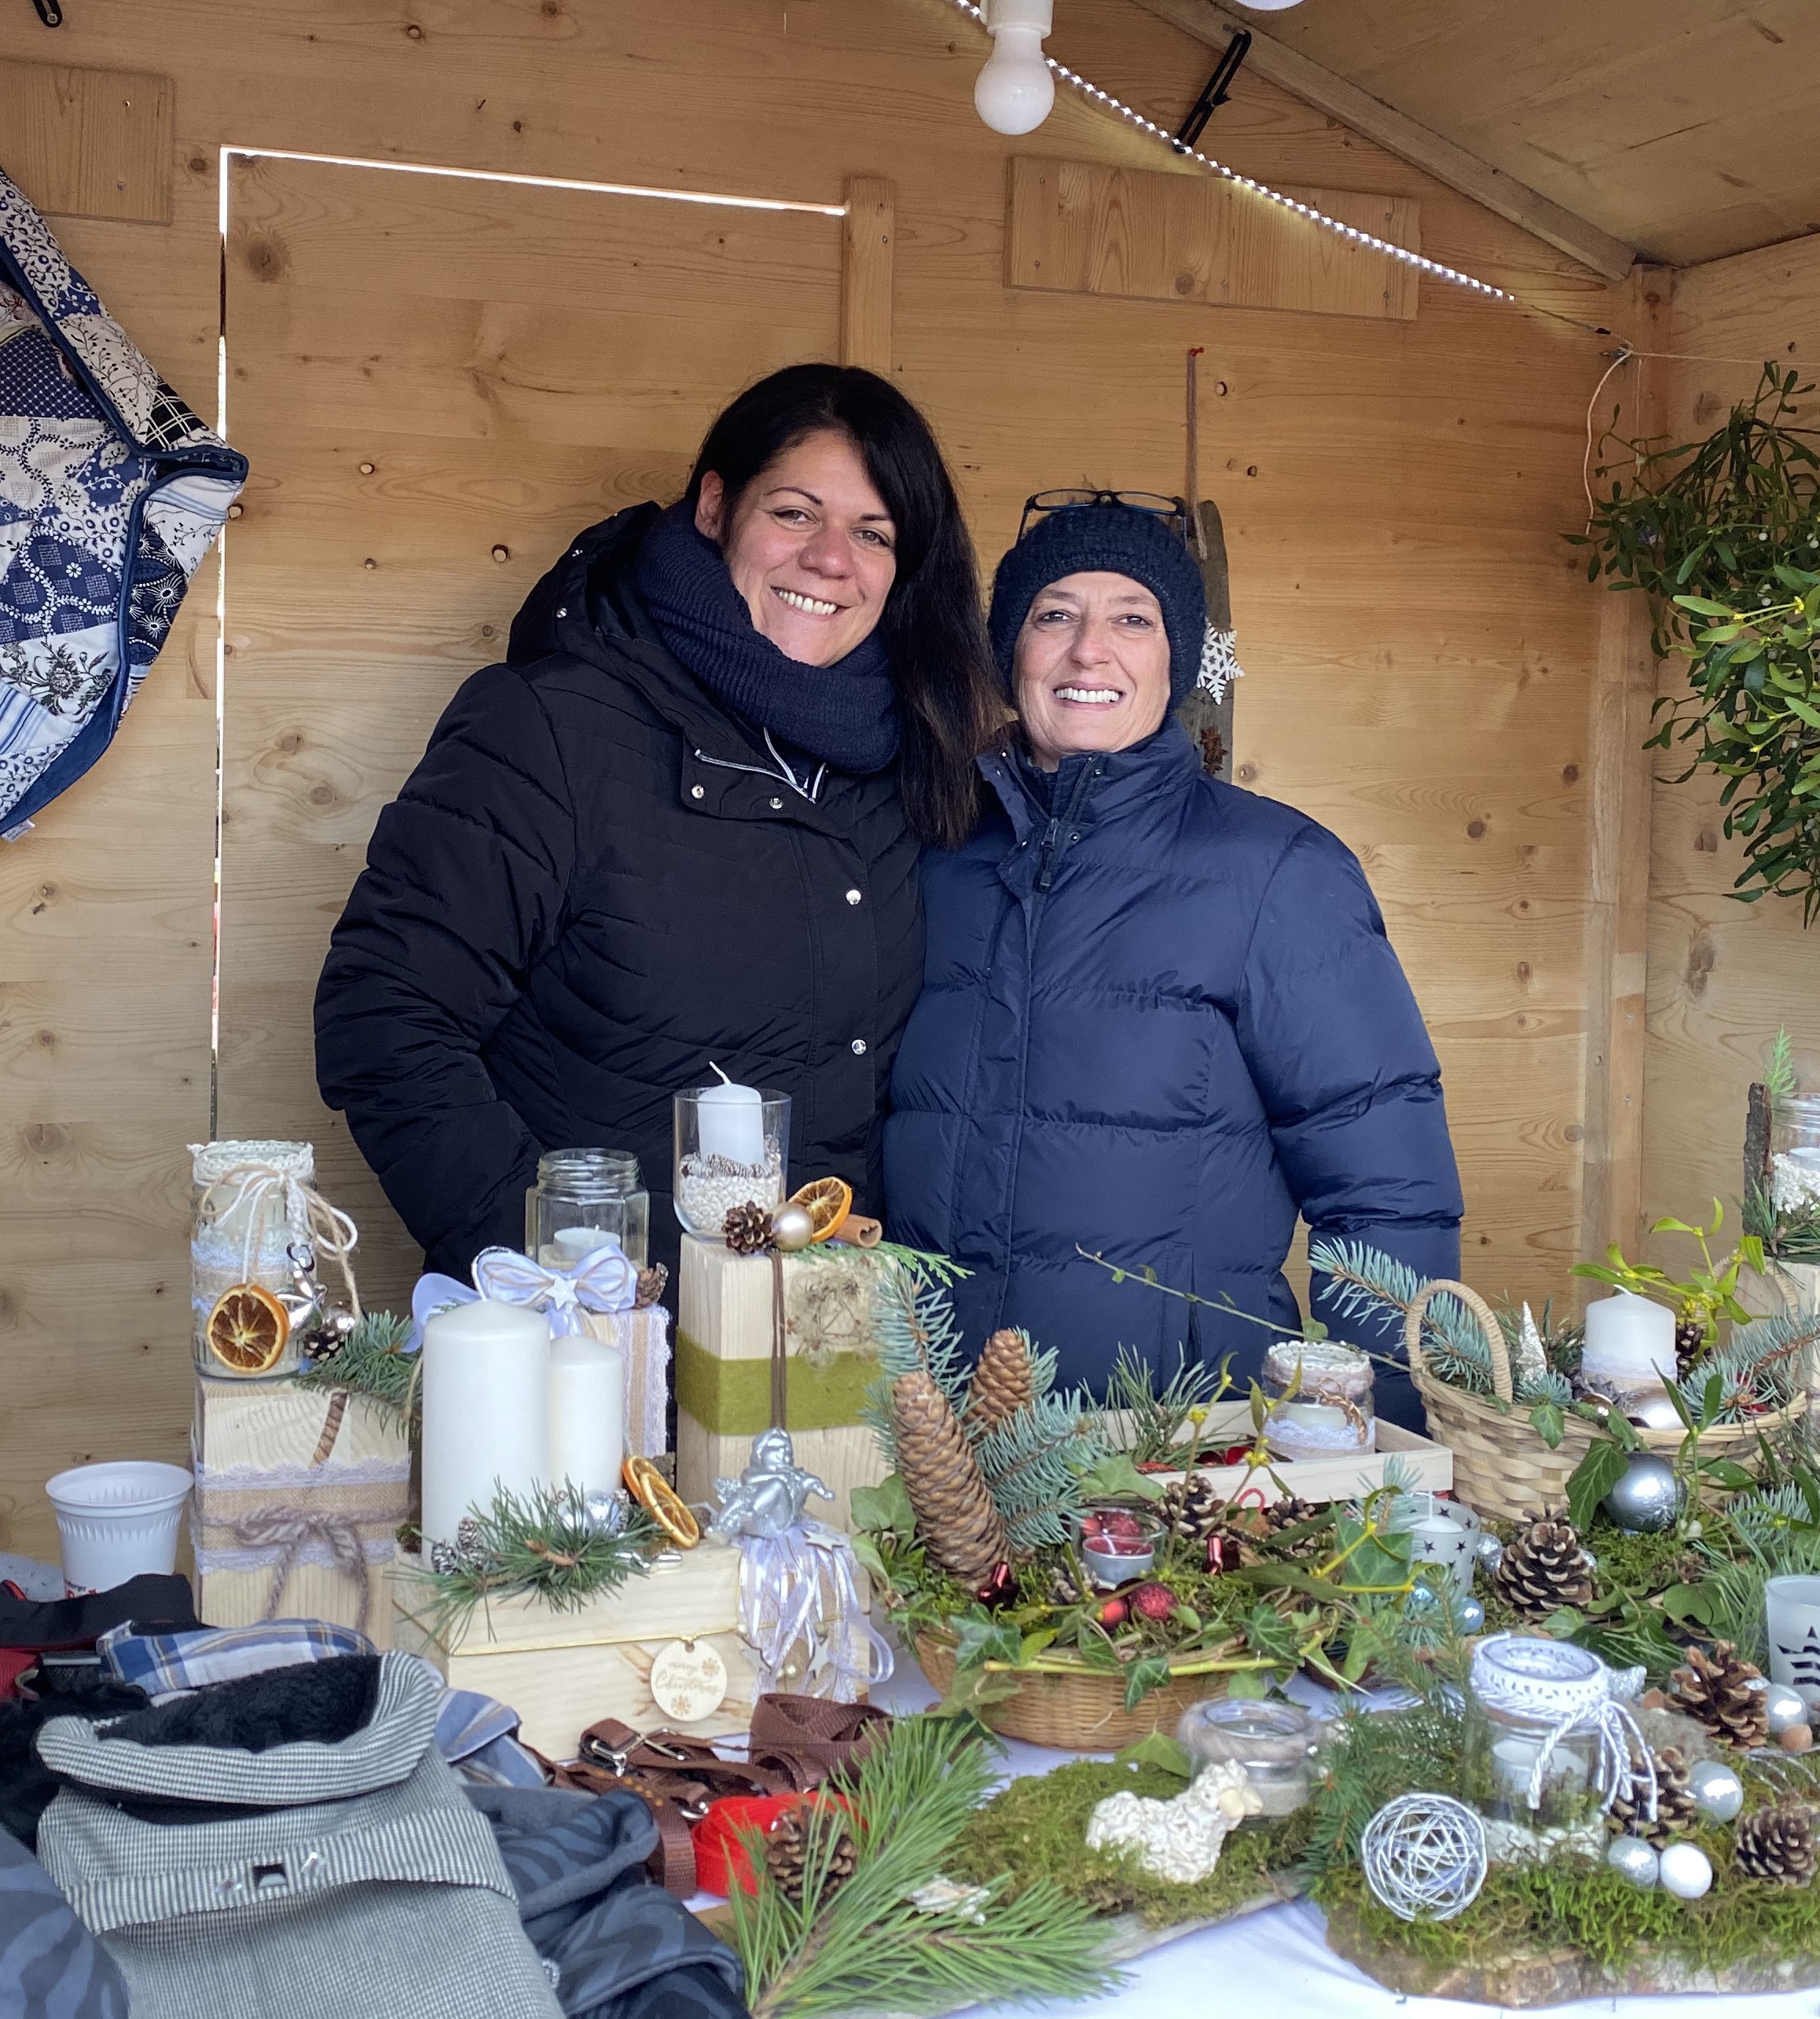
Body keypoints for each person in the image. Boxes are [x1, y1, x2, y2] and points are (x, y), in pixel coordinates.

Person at [314, 365, 994, 1284]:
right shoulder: (551, 727)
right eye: (795, 513)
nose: (832, 559)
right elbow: (385, 1016)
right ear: (715, 507)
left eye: (872, 533)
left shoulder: (910, 760)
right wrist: (562, 1271)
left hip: (824, 1335)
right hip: (597, 1336)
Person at [882, 495, 1462, 1420]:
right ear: (1011, 651)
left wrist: (1379, 1448)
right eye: (1055, 615)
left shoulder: (1277, 871)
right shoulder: (934, 854)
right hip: (924, 1435)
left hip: (1176, 1442)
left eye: (1132, 620)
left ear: (1174, 660)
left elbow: (1384, 1194)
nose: (1089, 651)